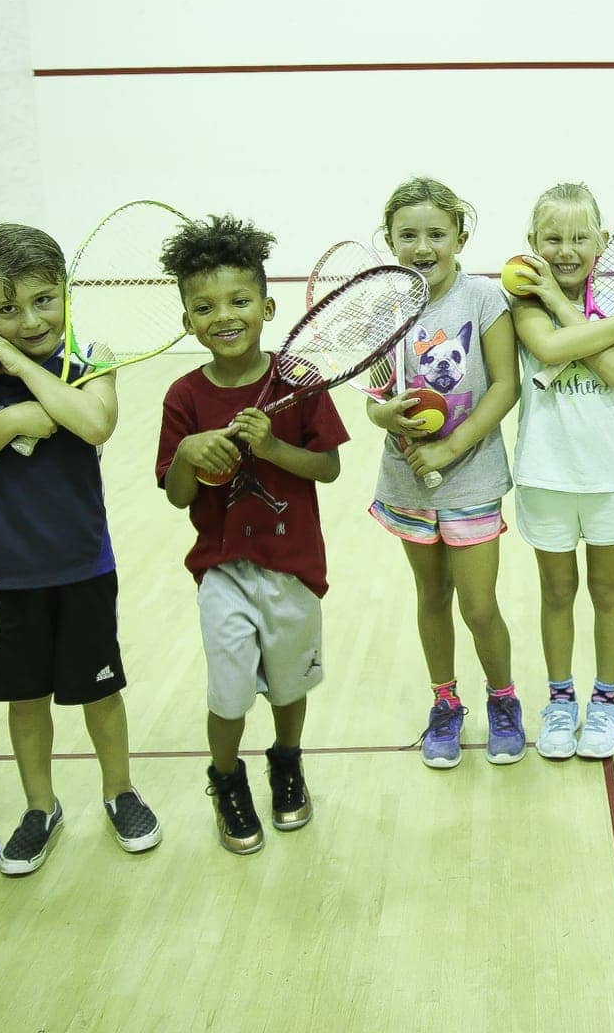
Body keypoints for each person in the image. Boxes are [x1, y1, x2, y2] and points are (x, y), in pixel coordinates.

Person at [0, 223, 160, 875]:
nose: (29, 319)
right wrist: (6, 418)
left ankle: (120, 792)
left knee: (99, 691)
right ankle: (41, 807)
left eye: (43, 299)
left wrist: (21, 367)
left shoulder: (92, 355)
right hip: (5, 569)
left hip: (83, 561)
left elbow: (95, 423)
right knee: (25, 697)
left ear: (66, 291)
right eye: (6, 310)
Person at [156, 215, 347, 854]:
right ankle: (226, 777)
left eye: (239, 301)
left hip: (293, 567)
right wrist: (188, 453)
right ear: (188, 320)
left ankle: (286, 761)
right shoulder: (183, 397)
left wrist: (270, 448)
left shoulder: (299, 381)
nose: (224, 315)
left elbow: (328, 467)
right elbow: (177, 493)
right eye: (204, 307)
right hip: (222, 570)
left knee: (290, 687)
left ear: (267, 307)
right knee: (230, 691)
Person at [508, 183, 614, 760]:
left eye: (580, 237)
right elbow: (553, 350)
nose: (565, 249)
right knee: (557, 592)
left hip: (609, 474)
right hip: (545, 474)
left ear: (602, 241)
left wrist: (605, 319)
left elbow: (612, 369)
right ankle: (560, 700)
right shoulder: (525, 300)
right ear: (532, 242)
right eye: (552, 238)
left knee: (607, 589)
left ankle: (605, 700)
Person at [366, 177, 524, 769]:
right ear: (390, 241)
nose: (422, 245)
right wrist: (382, 413)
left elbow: (504, 385)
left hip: (473, 476)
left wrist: (449, 448)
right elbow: (375, 396)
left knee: (478, 605)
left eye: (436, 233)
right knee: (431, 595)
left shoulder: (483, 299)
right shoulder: (384, 307)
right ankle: (445, 703)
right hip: (408, 480)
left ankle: (504, 701)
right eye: (408, 235)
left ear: (460, 236)